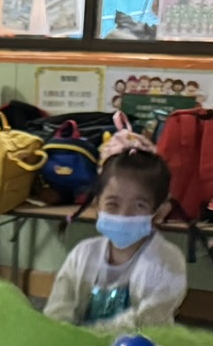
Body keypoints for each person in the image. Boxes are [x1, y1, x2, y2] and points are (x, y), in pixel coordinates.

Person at [43, 137, 187, 328]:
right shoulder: (82, 254)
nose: (123, 214)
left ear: (159, 212)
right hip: (78, 343)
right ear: (97, 205)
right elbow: (57, 311)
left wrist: (91, 337)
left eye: (139, 206)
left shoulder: (167, 261)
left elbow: (148, 321)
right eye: (113, 204)